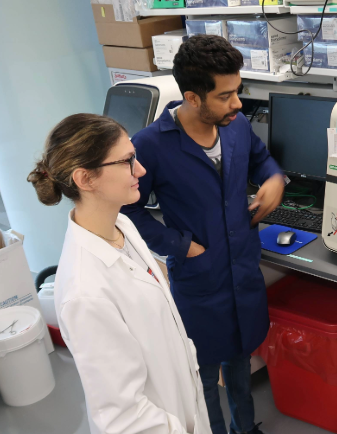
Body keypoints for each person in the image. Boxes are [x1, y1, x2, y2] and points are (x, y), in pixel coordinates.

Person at [121, 35, 284, 434]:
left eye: (238, 91)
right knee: (204, 375)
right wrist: (179, 246)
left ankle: (245, 429)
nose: (238, 104)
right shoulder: (151, 145)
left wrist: (275, 179)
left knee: (242, 361)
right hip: (199, 276)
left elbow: (262, 160)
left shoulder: (237, 126)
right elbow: (128, 209)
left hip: (242, 269)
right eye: (226, 96)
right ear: (193, 98)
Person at [28, 114, 211, 434]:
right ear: (86, 179)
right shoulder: (85, 293)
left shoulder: (121, 225)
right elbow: (124, 418)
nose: (140, 170)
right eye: (128, 161)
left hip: (184, 406)